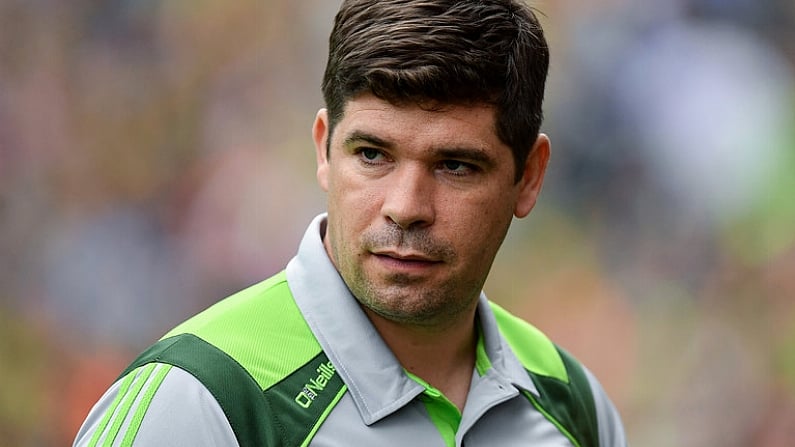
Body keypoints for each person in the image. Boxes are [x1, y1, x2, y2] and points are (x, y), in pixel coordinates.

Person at [74, 1, 628, 446]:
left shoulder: (572, 402)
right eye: (372, 154)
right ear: (324, 148)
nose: (406, 206)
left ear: (529, 177)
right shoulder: (201, 400)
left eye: (455, 165)